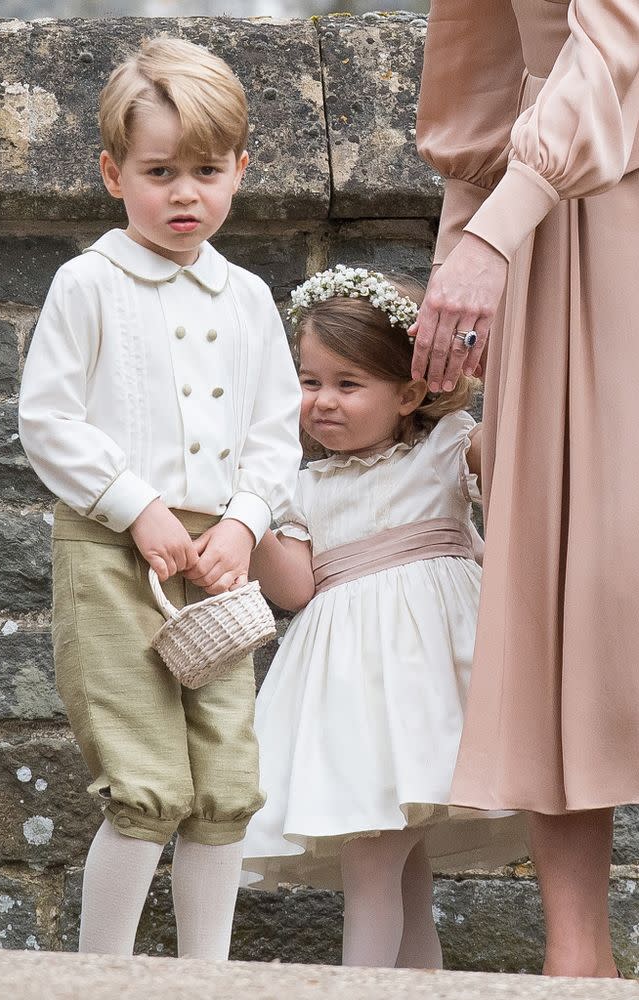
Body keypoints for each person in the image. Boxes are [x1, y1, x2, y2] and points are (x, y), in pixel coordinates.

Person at [18, 37, 302, 959]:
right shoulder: (88, 284)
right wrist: (136, 505)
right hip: (114, 553)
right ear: (112, 173)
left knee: (224, 778)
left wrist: (245, 523)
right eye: (160, 170)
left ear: (240, 171)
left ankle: (203, 976)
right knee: (146, 780)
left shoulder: (251, 297)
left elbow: (274, 430)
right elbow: (49, 418)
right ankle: (102, 974)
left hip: (220, 563)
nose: (186, 193)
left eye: (207, 170)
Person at [412, 0, 639, 979]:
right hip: (561, 240)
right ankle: (575, 962)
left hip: (577, 221)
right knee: (559, 586)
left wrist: (493, 233)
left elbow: (619, 41)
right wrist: (462, 255)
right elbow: (483, 66)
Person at [240, 266, 526, 969]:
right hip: (353, 699)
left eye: (347, 384)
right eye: (310, 382)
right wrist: (243, 519)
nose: (323, 402)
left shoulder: (445, 448)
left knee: (379, 871)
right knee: (392, 873)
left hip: (432, 688)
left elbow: (522, 445)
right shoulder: (300, 484)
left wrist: (486, 358)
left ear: (407, 392)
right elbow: (295, 589)